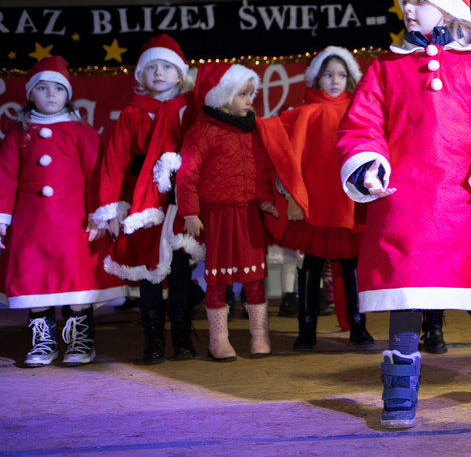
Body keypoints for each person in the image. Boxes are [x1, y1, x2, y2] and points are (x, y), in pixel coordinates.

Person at [337, 0, 471, 429]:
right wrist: (366, 165)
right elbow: (361, 124)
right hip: (407, 201)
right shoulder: (385, 68)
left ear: (446, 9)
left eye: (418, 0)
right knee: (406, 291)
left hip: (466, 201)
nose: (408, 7)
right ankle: (400, 386)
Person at [0, 56, 126, 366]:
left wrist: (99, 215)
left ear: (67, 93)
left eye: (58, 88)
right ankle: (43, 341)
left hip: (74, 224)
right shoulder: (18, 134)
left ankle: (79, 339)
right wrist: (2, 217)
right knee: (36, 281)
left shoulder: (80, 131)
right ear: (31, 94)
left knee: (75, 282)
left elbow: (97, 174)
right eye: (43, 88)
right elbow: (4, 177)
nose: (51, 94)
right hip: (31, 226)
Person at [258, 46, 373, 350]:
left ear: (350, 78)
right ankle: (306, 328)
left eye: (341, 75)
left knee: (351, 266)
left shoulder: (359, 112)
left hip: (349, 204)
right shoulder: (305, 113)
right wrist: (292, 197)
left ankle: (358, 326)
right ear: (316, 78)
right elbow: (285, 154)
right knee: (311, 264)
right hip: (315, 205)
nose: (335, 80)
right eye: (328, 74)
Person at [94, 35, 199, 364]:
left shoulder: (189, 110)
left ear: (179, 74)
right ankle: (152, 340)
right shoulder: (131, 113)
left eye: (166, 66)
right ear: (140, 75)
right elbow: (114, 160)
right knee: (149, 270)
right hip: (143, 202)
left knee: (180, 267)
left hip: (179, 198)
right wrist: (111, 207)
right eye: (151, 67)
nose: (158, 72)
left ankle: (182, 336)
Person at [176, 62, 279, 362]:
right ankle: (218, 339)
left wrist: (264, 199)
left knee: (253, 277)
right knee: (218, 278)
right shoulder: (203, 131)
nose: (250, 100)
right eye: (243, 95)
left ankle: (260, 335)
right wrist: (190, 213)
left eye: (251, 94)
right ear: (223, 97)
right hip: (218, 214)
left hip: (247, 214)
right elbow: (186, 174)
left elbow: (261, 167)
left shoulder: (250, 129)